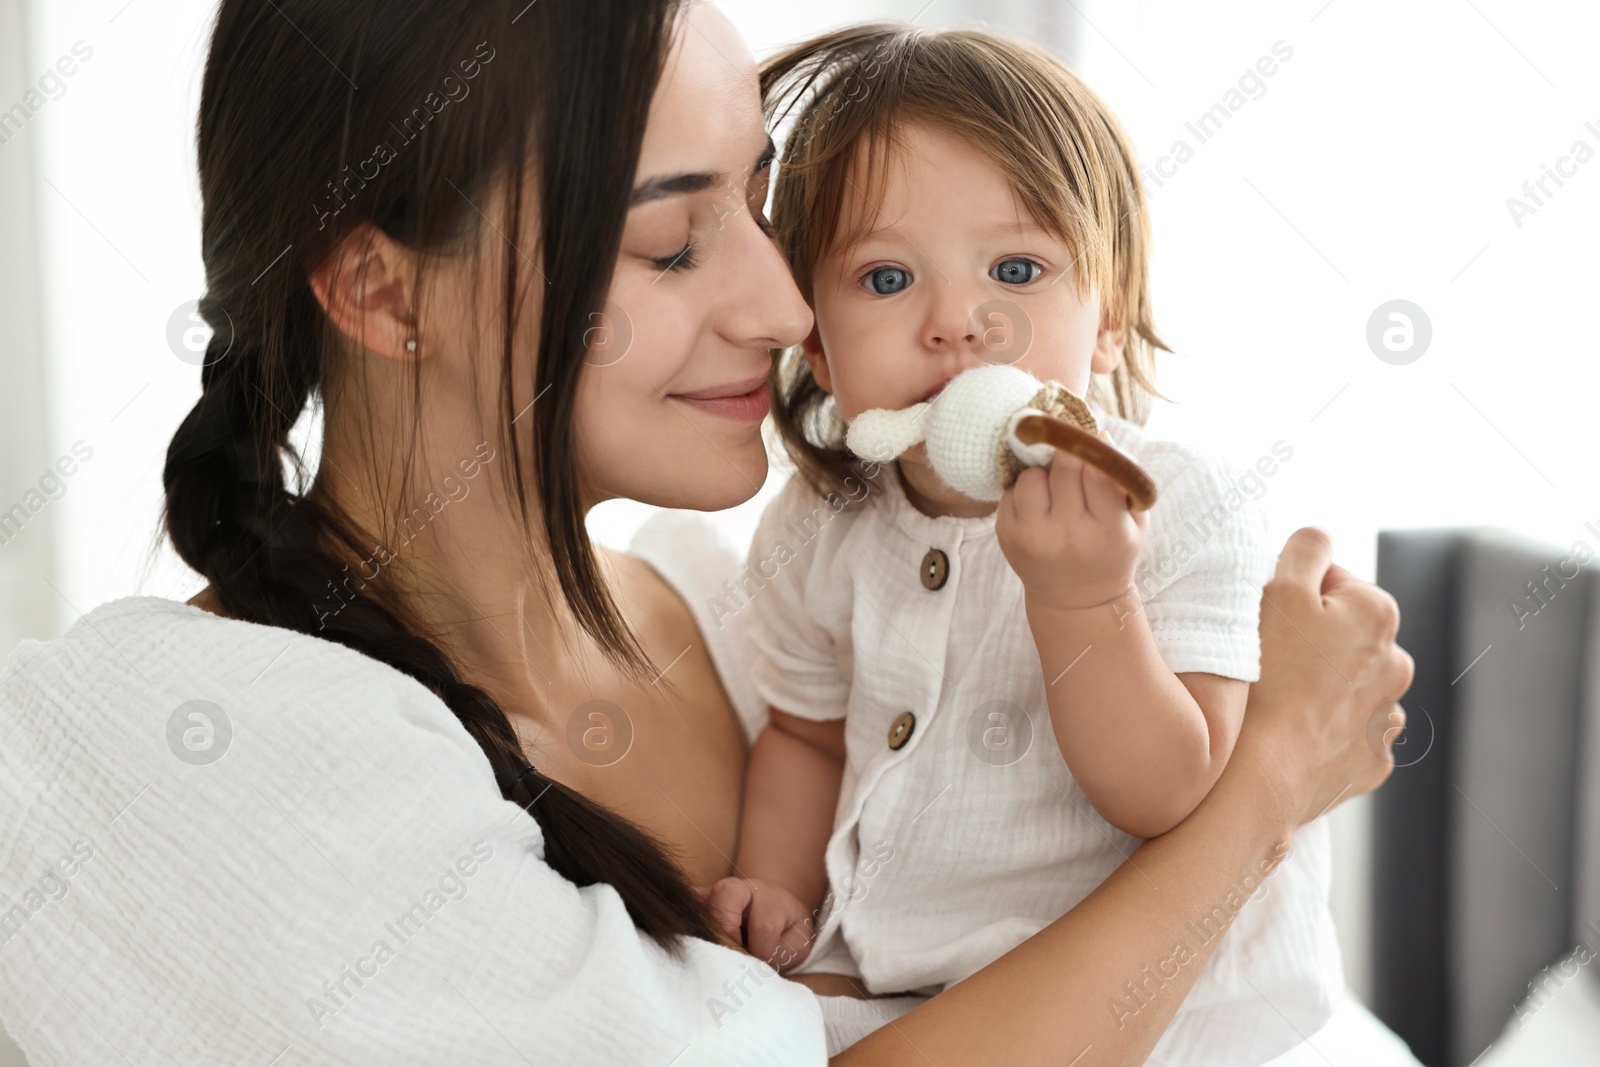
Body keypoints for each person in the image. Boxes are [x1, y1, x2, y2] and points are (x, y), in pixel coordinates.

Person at [0, 1, 1413, 1064]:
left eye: (759, 203)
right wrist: (1268, 783)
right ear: (378, 291)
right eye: (672, 246)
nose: (790, 312)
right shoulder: (220, 750)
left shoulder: (714, 607)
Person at [706, 27, 1342, 1065]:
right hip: (898, 973)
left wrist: (1084, 598)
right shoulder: (818, 523)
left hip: (1144, 997)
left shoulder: (1170, 497)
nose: (959, 322)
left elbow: (1171, 790)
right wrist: (776, 887)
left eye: (1015, 268)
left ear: (1106, 320)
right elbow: (806, 737)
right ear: (813, 341)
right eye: (884, 279)